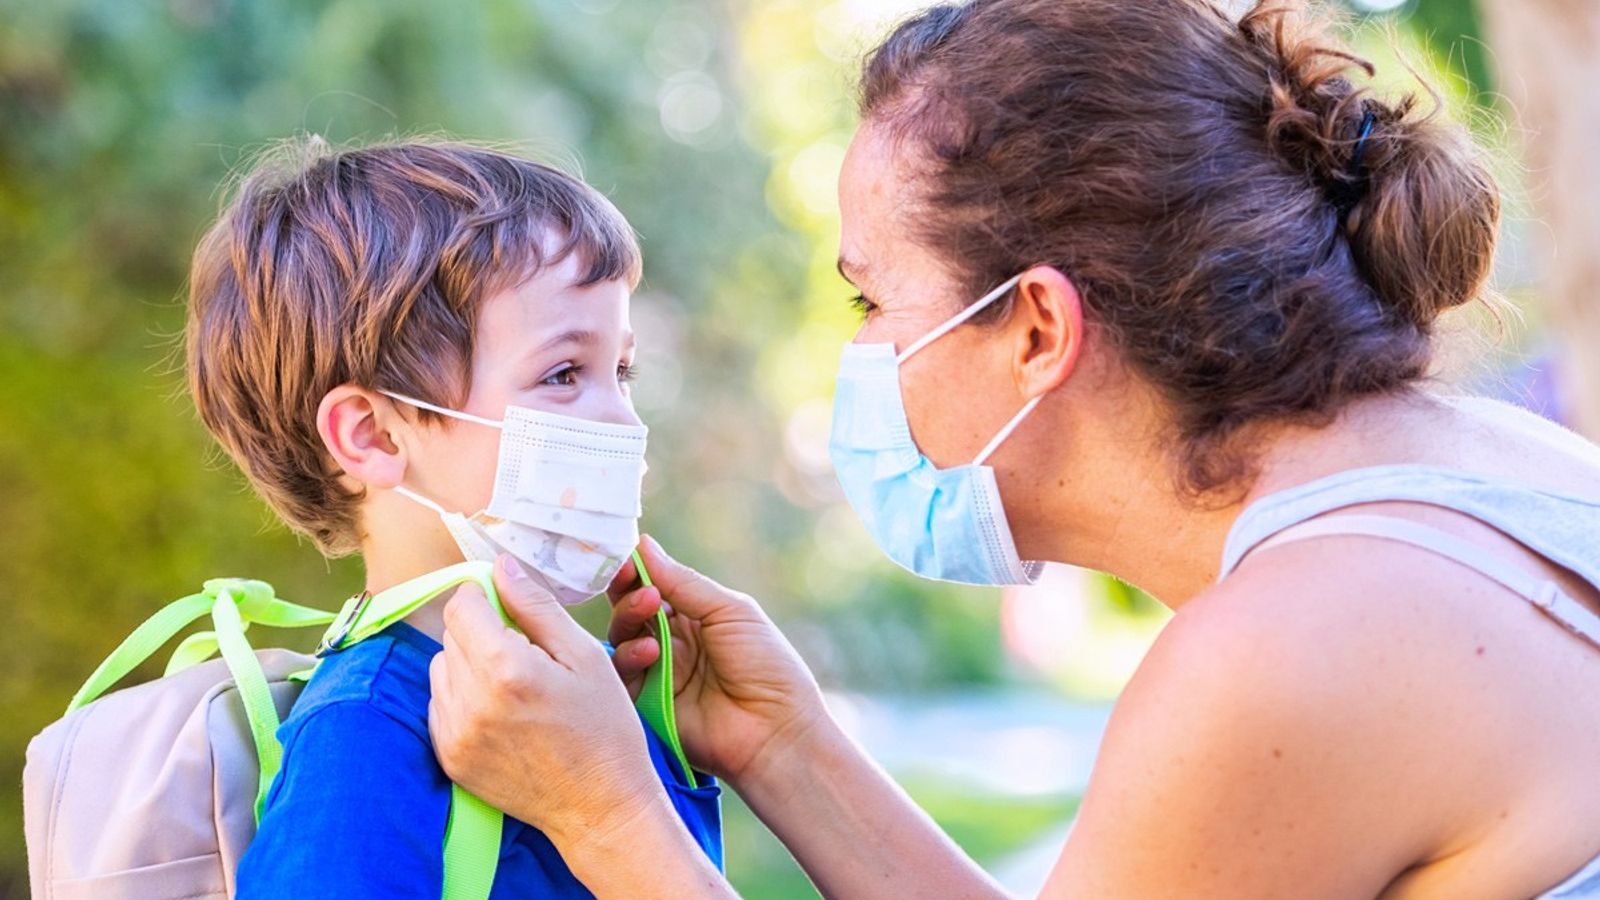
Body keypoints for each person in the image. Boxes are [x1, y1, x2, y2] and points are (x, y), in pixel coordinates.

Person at [424, 0, 1600, 897]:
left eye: (870, 303)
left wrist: (610, 821)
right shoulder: (1474, 470)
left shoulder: (1285, 650)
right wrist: (787, 748)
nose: (867, 356)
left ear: (1037, 328)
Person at [184, 139, 721, 897]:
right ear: (372, 435)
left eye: (622, 371)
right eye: (564, 373)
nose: (621, 419)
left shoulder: (594, 699)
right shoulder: (362, 738)